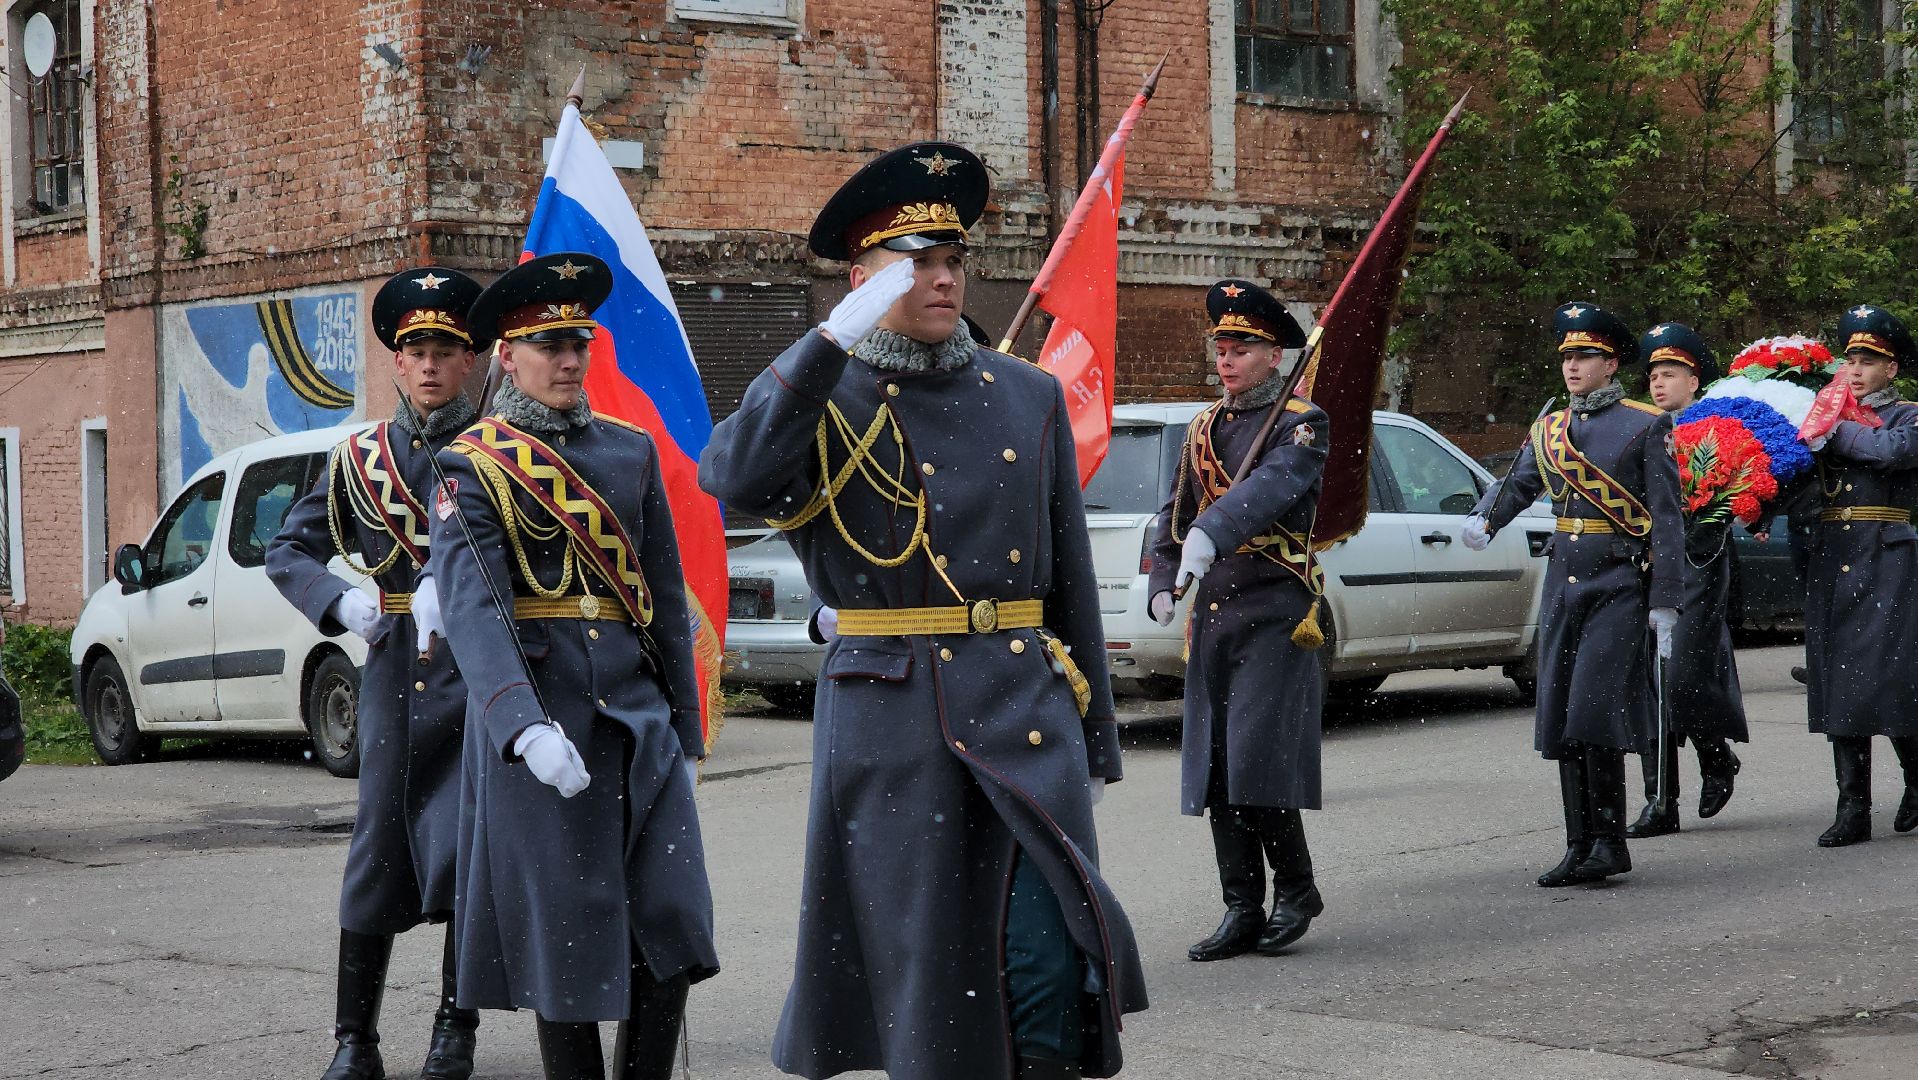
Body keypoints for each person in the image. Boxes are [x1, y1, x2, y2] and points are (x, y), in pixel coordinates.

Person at [699, 142, 1147, 1080]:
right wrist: (824, 347)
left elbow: (1065, 576)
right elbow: (731, 475)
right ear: (860, 281)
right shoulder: (827, 394)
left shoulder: (1024, 393)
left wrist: (1096, 737)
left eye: (953, 262)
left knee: (1049, 961)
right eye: (915, 265)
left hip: (1025, 710)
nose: (943, 280)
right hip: (895, 719)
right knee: (929, 981)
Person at [429, 252, 719, 1079]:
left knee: (674, 926)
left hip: (639, 727)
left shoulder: (629, 453)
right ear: (506, 358)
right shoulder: (471, 465)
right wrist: (521, 728)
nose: (567, 360)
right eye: (548, 345)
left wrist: (686, 733)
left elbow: (661, 597)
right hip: (545, 732)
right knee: (569, 944)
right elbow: (476, 612)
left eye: (578, 344)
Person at [266, 267, 487, 1080]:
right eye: (415, 350)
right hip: (395, 670)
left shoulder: (500, 451)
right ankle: (355, 1040)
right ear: (396, 362)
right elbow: (287, 551)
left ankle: (453, 1028)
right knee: (378, 853)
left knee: (471, 849)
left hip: (486, 669)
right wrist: (339, 605)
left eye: (446, 350)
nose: (429, 365)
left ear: (472, 361)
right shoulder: (358, 457)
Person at [1463, 302, 1683, 886]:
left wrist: (1666, 597)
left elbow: (1666, 517)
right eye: (1566, 356)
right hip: (1563, 584)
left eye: (1584, 355)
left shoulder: (1644, 423)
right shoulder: (1551, 430)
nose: (1572, 365)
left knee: (1594, 711)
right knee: (1561, 711)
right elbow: (1519, 484)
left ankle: (1609, 842)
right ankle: (1577, 842)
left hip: (1618, 583)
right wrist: (1486, 519)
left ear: (1611, 363)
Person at [1145, 279, 1330, 962]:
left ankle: (1298, 889)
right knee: (1217, 766)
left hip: (1276, 612)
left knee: (1258, 757)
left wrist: (1212, 531)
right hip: (1218, 617)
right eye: (1221, 347)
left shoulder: (1301, 423)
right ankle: (1240, 904)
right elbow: (1172, 517)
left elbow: (1270, 490)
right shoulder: (1203, 429)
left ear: (1274, 356)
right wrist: (1165, 576)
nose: (1227, 358)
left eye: (1243, 347)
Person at [1799, 304, 1918, 847]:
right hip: (1833, 556)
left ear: (1890, 369)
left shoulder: (1907, 415)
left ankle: (1917, 780)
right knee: (1838, 681)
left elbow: (1893, 453)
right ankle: (1853, 807)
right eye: (1850, 359)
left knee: (1887, 678)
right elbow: (1804, 485)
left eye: (1869, 360)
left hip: (1887, 556)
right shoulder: (1824, 415)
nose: (1856, 369)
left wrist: (1833, 432)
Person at [1630, 323, 1748, 836]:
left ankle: (1714, 753)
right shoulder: (1637, 426)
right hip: (1645, 565)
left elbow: (1746, 487)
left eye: (1671, 373)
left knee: (1683, 674)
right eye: (1654, 374)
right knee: (1651, 679)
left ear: (1695, 379)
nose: (1659, 383)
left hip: (1699, 563)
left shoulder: (1718, 429)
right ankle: (1661, 802)